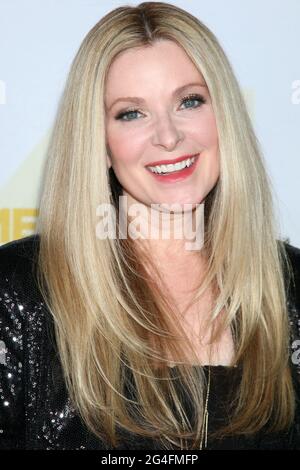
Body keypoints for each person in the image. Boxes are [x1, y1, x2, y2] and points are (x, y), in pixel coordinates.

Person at [0, 1, 300, 450]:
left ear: (226, 119)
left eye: (190, 101)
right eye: (131, 113)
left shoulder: (290, 285)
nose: (168, 135)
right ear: (99, 142)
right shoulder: (19, 291)